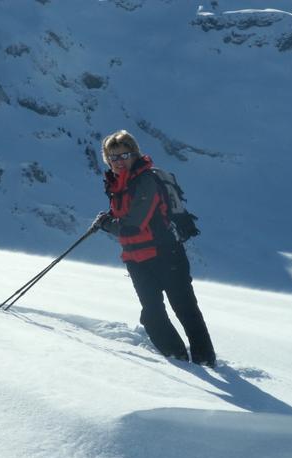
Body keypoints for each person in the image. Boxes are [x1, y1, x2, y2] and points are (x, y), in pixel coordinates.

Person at [92, 130, 216, 367]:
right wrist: (109, 219)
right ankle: (179, 361)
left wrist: (106, 224)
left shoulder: (146, 181)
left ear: (134, 154)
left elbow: (133, 225)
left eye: (124, 155)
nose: (119, 162)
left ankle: (204, 361)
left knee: (185, 310)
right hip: (136, 259)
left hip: (166, 255)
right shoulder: (118, 183)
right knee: (152, 314)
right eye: (113, 157)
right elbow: (127, 215)